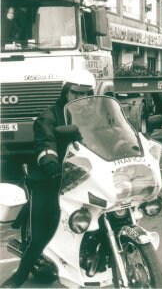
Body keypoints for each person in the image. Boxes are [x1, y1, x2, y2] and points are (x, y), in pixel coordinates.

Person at [1, 69, 96, 288]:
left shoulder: (92, 114)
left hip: (82, 175)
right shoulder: (49, 116)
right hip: (49, 177)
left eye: (85, 93)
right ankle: (20, 275)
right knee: (44, 229)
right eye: (75, 93)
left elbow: (108, 134)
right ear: (66, 91)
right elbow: (46, 144)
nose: (80, 98)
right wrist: (51, 164)